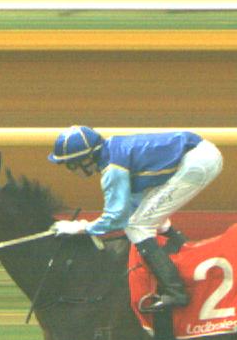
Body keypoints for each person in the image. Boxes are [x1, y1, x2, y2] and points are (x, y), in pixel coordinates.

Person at [47, 126, 218, 312]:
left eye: (71, 165)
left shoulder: (113, 169)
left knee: (137, 226)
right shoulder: (112, 150)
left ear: (86, 159)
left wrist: (81, 228)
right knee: (147, 221)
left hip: (197, 163)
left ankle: (176, 292)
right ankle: (189, 260)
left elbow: (116, 219)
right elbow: (132, 204)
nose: (70, 170)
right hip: (199, 155)